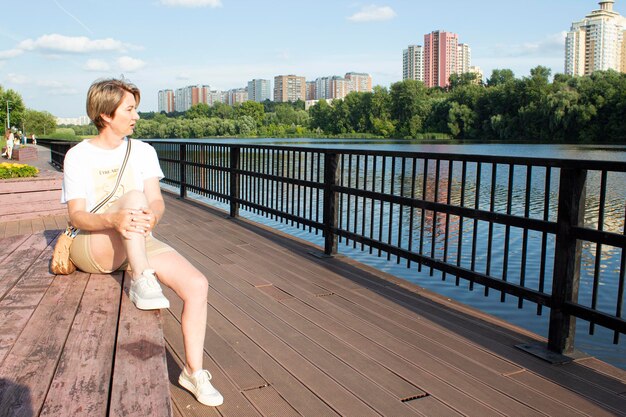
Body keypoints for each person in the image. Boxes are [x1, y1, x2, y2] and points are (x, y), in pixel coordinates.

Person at [61, 78, 223, 407]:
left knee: (197, 284)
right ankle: (142, 278)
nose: (137, 116)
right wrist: (112, 220)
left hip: (137, 238)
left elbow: (156, 201)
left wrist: (153, 218)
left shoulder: (144, 151)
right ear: (105, 114)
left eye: (136, 108)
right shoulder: (78, 156)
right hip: (95, 243)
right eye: (130, 109)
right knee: (132, 196)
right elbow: (76, 216)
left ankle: (193, 372)